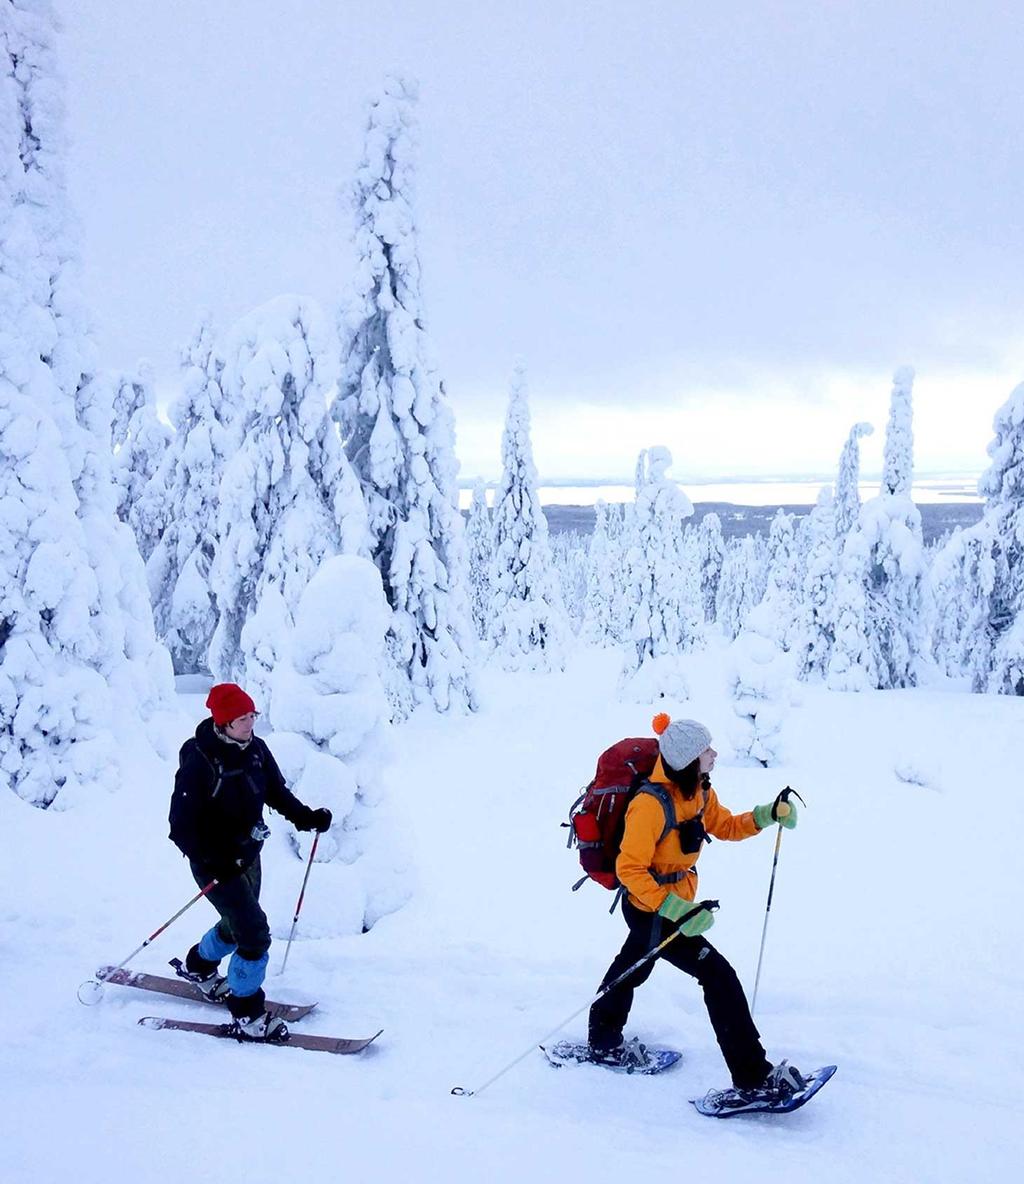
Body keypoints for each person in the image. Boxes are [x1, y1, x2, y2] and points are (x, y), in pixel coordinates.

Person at [587, 713, 805, 1101]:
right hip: (651, 908)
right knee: (718, 976)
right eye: (706, 751)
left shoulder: (699, 789)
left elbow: (724, 825)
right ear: (688, 759)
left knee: (633, 964)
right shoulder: (649, 806)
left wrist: (766, 815)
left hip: (674, 906)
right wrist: (676, 910)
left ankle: (603, 1037)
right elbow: (629, 868)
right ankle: (753, 1077)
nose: (714, 754)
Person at [168, 682, 332, 1042]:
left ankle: (199, 966)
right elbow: (180, 827)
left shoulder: (256, 749)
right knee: (255, 935)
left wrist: (306, 817)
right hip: (214, 864)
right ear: (223, 722)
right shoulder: (199, 760)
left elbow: (275, 791)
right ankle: (247, 1013)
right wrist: (214, 860)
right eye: (242, 718)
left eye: (252, 715)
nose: (250, 723)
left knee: (236, 925)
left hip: (247, 855)